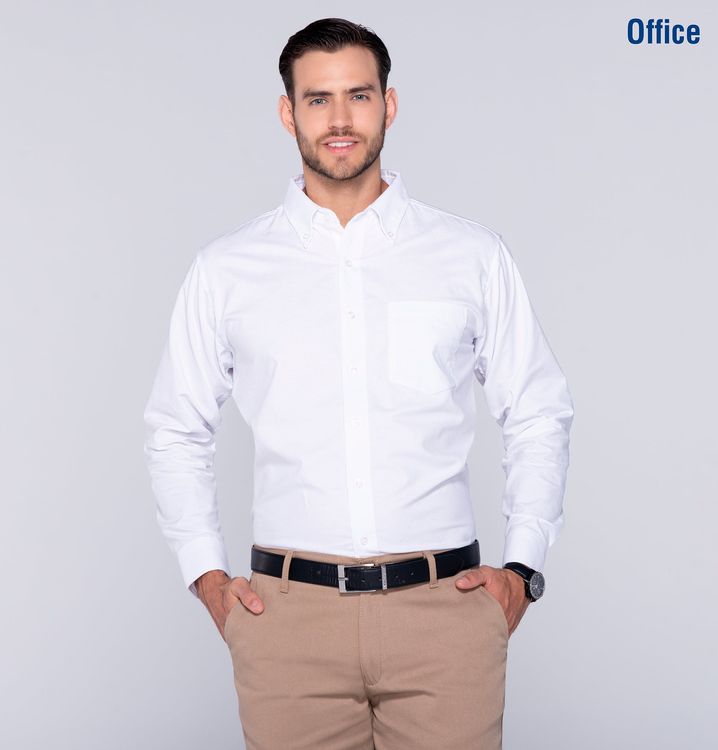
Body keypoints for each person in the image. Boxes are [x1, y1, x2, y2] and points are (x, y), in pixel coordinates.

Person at [143, 16, 574, 750]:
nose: (339, 119)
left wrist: (523, 568)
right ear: (289, 113)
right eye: (318, 99)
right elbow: (176, 428)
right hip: (287, 625)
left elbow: (537, 411)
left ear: (389, 105)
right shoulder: (227, 270)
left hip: (445, 617)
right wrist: (206, 576)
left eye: (359, 96)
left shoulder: (469, 256)